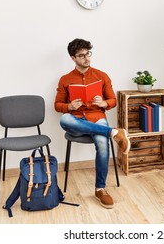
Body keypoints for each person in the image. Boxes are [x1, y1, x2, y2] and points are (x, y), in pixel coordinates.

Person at [54, 38, 130, 209]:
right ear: (73, 58)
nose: (86, 58)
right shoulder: (65, 79)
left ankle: (100, 189)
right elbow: (57, 105)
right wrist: (69, 106)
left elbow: (113, 100)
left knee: (102, 143)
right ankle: (114, 132)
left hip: (96, 116)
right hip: (76, 121)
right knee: (64, 118)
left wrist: (104, 103)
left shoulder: (101, 76)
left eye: (88, 54)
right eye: (81, 56)